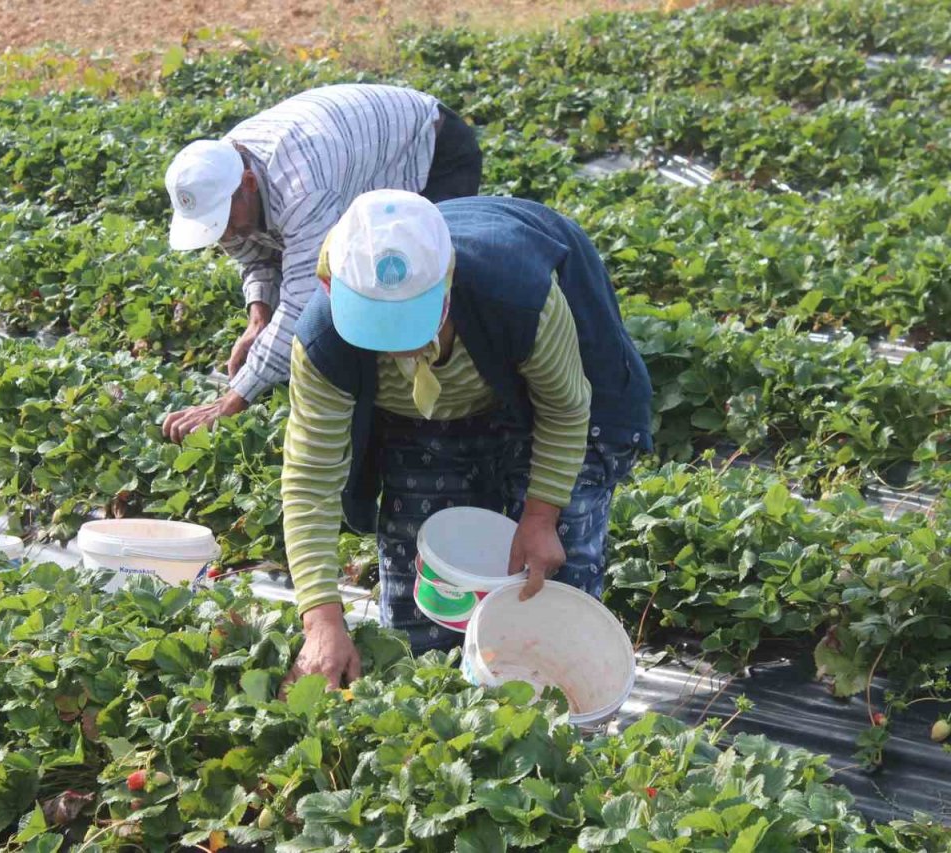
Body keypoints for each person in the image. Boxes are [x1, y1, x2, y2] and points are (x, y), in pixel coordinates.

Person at [278, 190, 653, 688]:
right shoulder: (323, 342)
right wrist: (321, 618)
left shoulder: (519, 298)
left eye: (410, 321)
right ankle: (440, 704)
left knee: (550, 566)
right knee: (427, 581)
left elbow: (565, 408)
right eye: (376, 326)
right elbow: (310, 479)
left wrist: (541, 516)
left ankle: (558, 703)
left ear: (447, 282)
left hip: (551, 398)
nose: (397, 344)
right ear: (330, 285)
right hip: (421, 413)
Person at [160, 83, 483, 443]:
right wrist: (259, 320)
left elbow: (303, 300)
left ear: (249, 183)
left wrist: (234, 398)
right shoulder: (219, 173)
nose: (224, 235)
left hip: (431, 147)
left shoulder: (303, 189)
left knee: (418, 276)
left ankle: (445, 393)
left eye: (224, 220)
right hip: (351, 152)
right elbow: (252, 250)